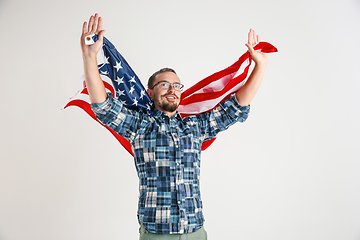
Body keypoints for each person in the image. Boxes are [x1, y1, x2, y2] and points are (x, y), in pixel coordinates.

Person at [80, 13, 268, 240]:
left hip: (196, 231)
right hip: (157, 233)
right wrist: (90, 57)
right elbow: (103, 106)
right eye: (164, 84)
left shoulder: (195, 127)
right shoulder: (139, 126)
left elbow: (236, 107)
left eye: (176, 85)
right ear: (150, 92)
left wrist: (261, 65)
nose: (172, 89)